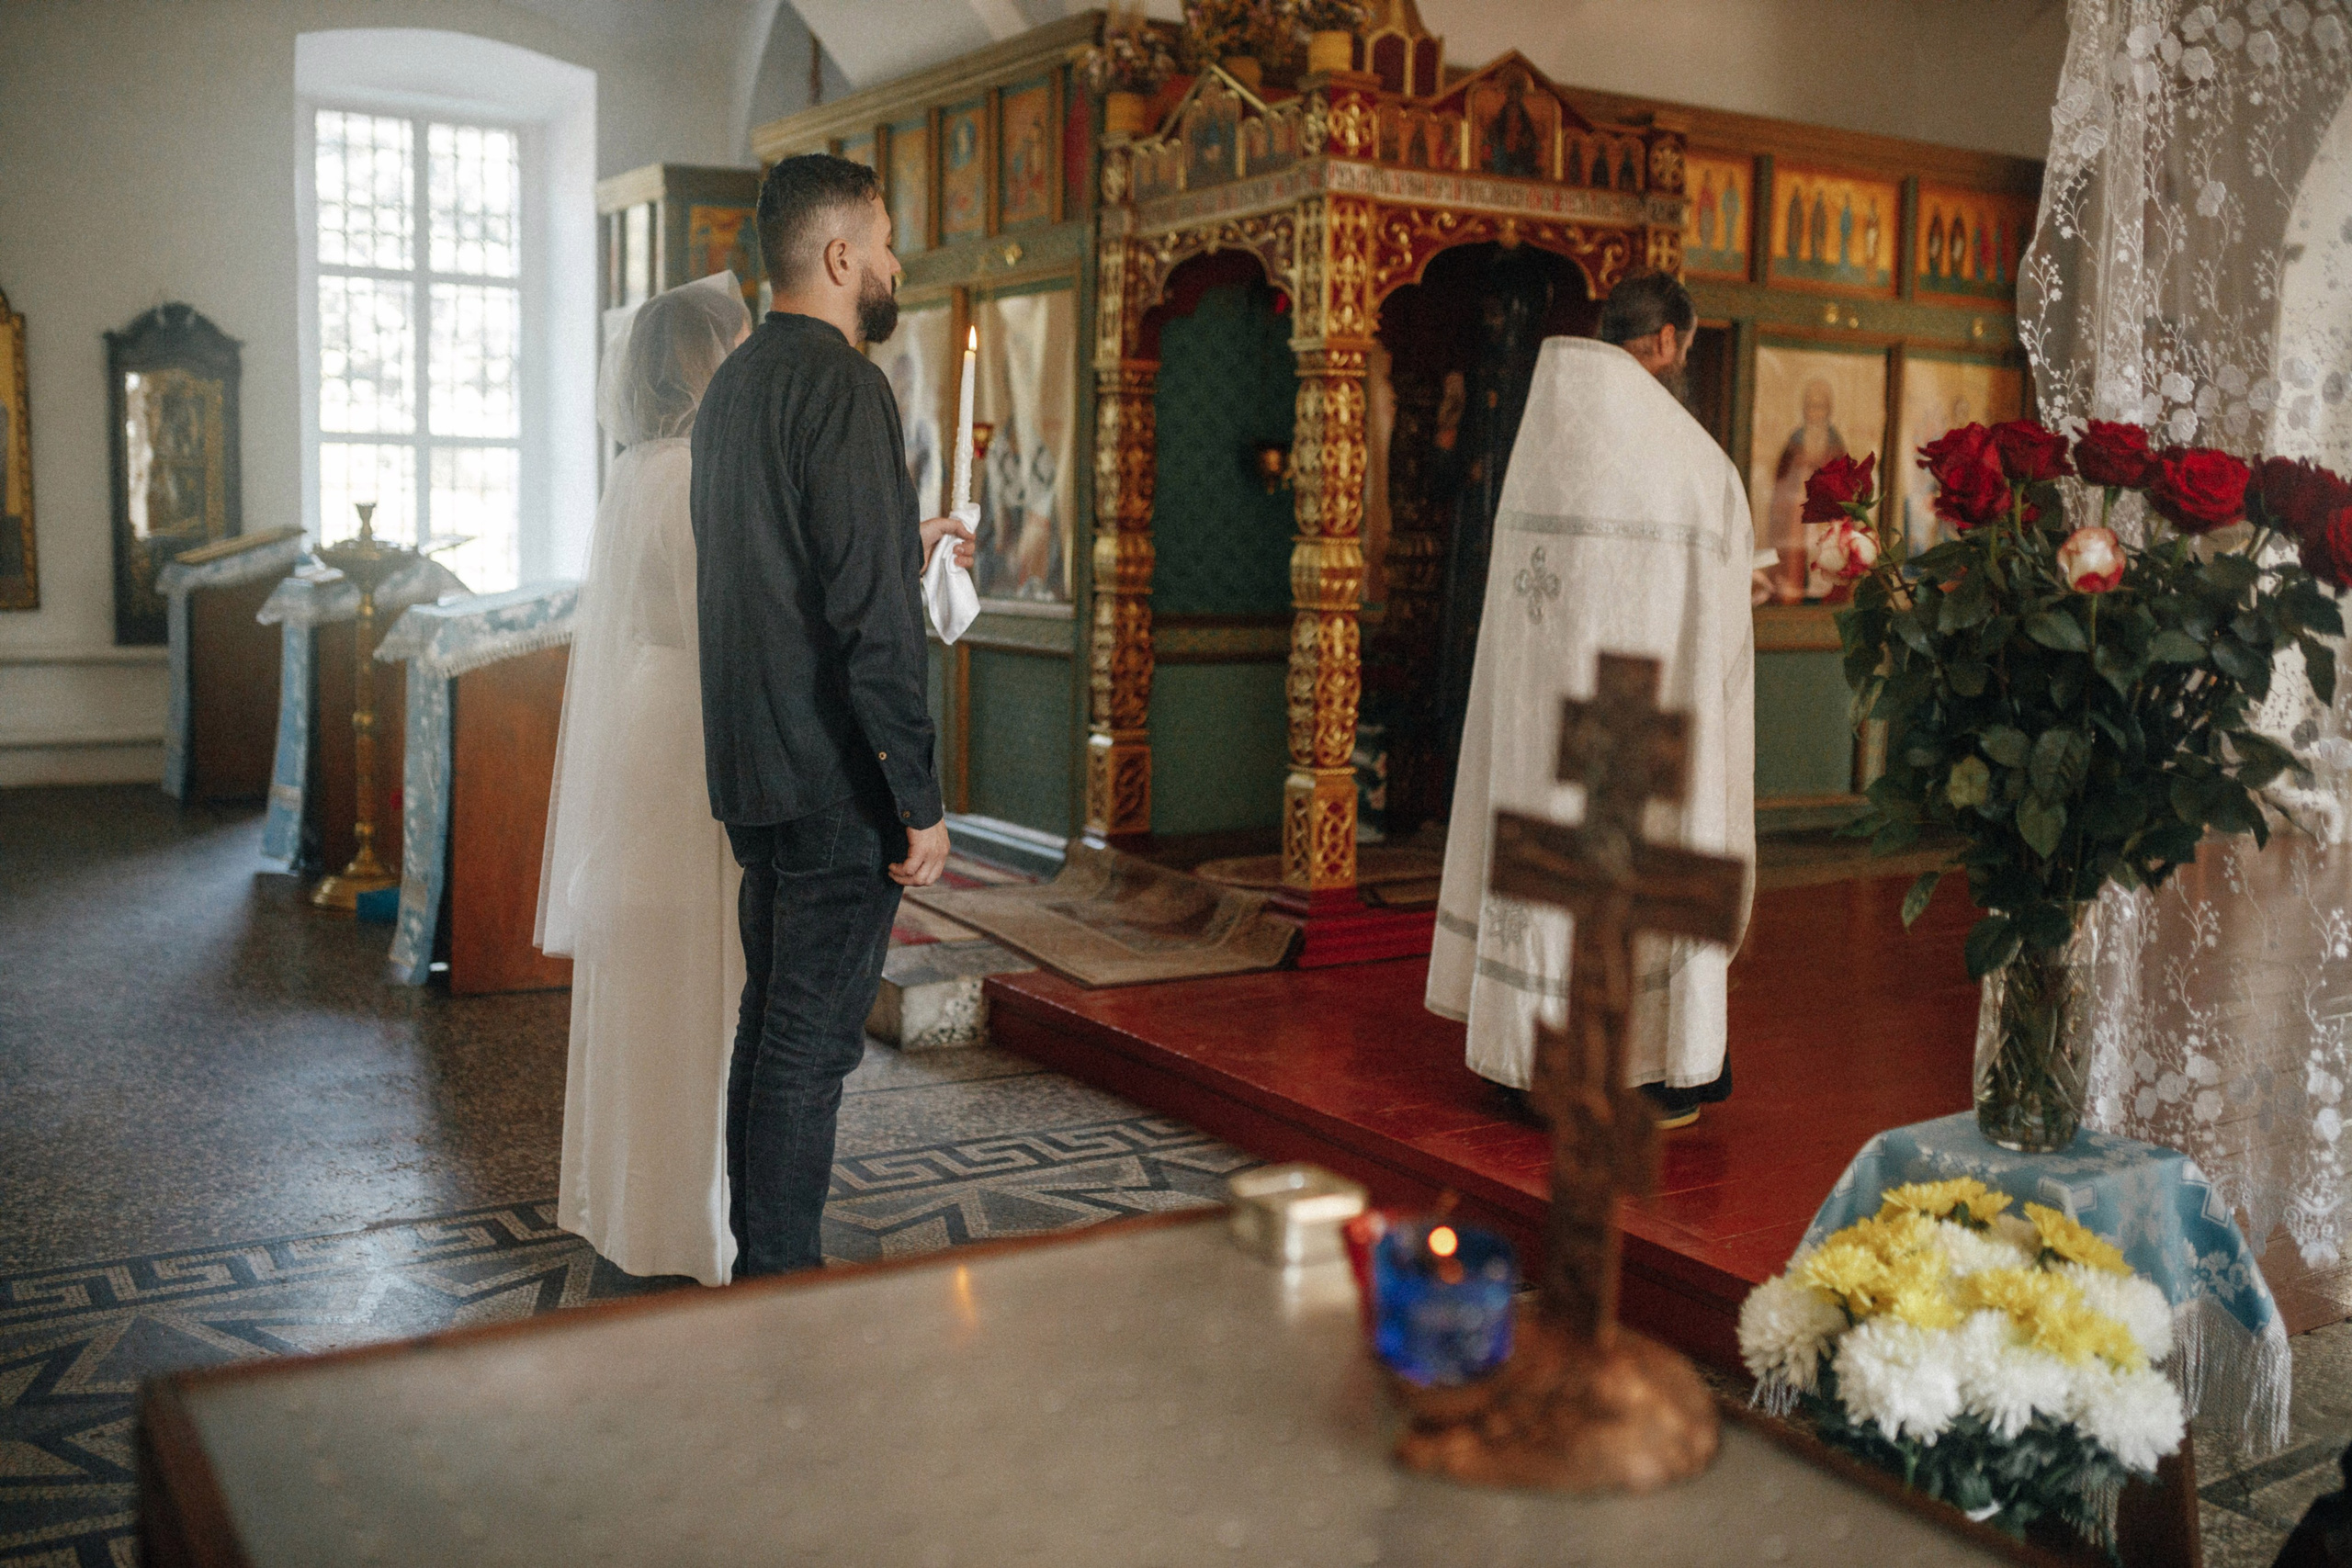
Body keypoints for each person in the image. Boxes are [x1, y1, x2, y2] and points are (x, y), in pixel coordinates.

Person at [692, 154, 973, 1277]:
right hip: (831, 778)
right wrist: (918, 798)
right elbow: (869, 624)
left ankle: (761, 1271)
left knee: (771, 1032)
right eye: (888, 242)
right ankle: (781, 1293)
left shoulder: (736, 384)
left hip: (753, 766)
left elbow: (781, 564)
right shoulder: (847, 387)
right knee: (808, 1051)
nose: (897, 263)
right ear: (842, 255)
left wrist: (903, 541)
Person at [1425, 271, 1756, 1130]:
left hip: (1539, 729)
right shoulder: (1696, 465)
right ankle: (1643, 1065)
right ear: (1670, 341)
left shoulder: (1542, 446)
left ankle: (1525, 1062)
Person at [537, 271, 752, 1286]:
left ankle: (629, 1199)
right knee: (701, 973)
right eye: (735, 350)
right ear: (704, 366)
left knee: (648, 974)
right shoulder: (695, 475)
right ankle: (687, 1221)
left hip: (646, 714)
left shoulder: (633, 471)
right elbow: (730, 622)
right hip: (693, 732)